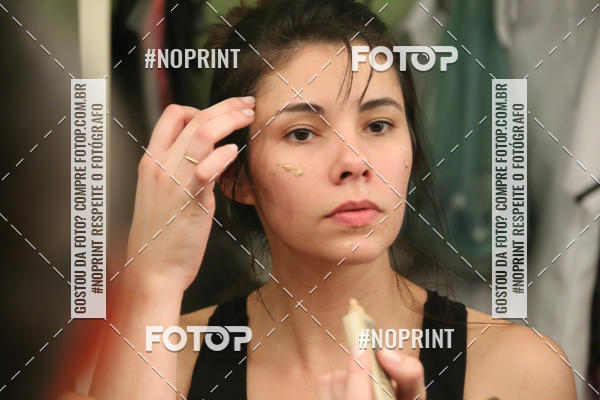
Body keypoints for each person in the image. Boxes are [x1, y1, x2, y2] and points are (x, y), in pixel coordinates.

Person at [73, 0, 577, 399]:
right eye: (301, 133)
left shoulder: (518, 370)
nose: (354, 161)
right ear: (236, 177)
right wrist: (153, 278)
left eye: (378, 125)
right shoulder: (162, 359)